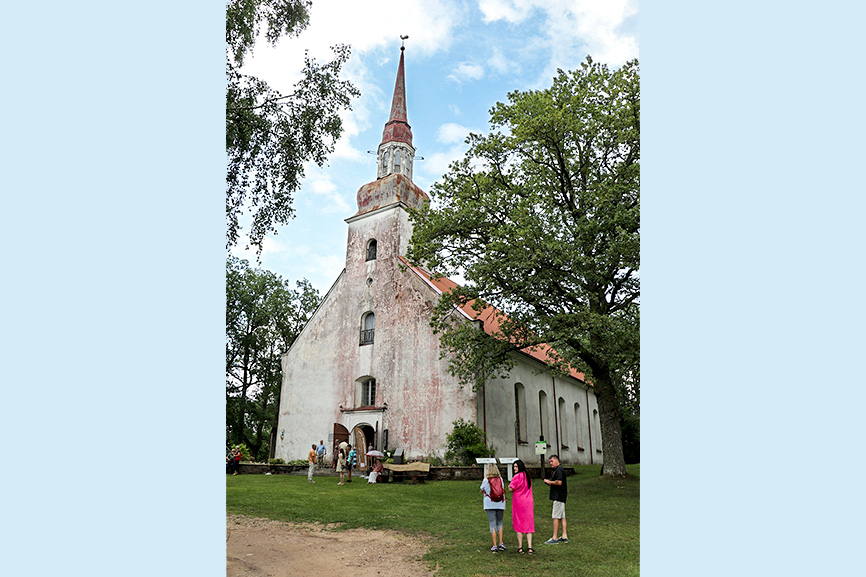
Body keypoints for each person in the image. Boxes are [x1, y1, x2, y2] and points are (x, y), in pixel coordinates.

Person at [508, 459, 535, 555]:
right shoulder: (527, 476)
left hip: (519, 501)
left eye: (516, 466)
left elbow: (511, 488)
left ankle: (520, 547)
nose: (514, 468)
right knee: (529, 523)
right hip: (528, 501)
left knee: (519, 523)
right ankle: (530, 547)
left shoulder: (517, 477)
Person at [480, 463, 507, 552]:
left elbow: (482, 489)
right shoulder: (500, 479)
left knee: (492, 523)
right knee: (500, 522)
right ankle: (501, 543)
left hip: (489, 503)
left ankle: (495, 545)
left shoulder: (486, 480)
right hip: (500, 503)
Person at [543, 454, 569, 544]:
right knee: (562, 517)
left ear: (557, 460)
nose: (550, 463)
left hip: (558, 497)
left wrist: (549, 482)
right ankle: (564, 535)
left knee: (555, 517)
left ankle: (555, 537)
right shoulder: (558, 470)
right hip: (561, 497)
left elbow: (559, 482)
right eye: (549, 461)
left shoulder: (559, 470)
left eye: (552, 461)